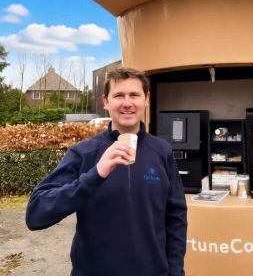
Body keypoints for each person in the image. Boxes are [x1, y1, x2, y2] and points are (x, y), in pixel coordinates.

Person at [26, 67, 187, 276]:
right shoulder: (83, 153)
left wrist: (175, 272)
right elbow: (36, 215)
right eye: (119, 95)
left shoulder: (162, 151)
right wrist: (95, 175)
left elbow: (175, 219)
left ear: (146, 99)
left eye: (134, 95)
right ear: (105, 101)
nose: (127, 103)